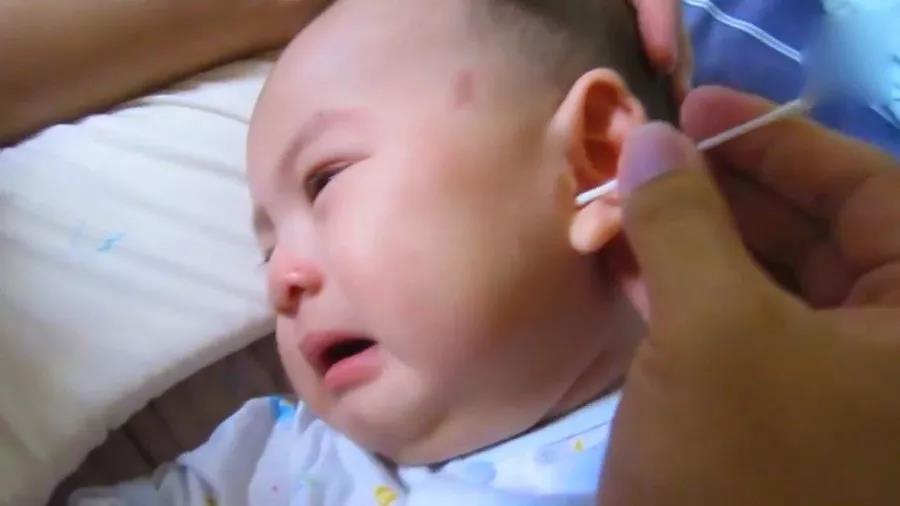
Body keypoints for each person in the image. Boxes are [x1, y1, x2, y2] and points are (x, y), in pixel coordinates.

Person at [73, 0, 681, 503]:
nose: (280, 280)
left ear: (592, 161)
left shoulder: (715, 432)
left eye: (324, 181)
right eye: (268, 248)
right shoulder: (265, 466)